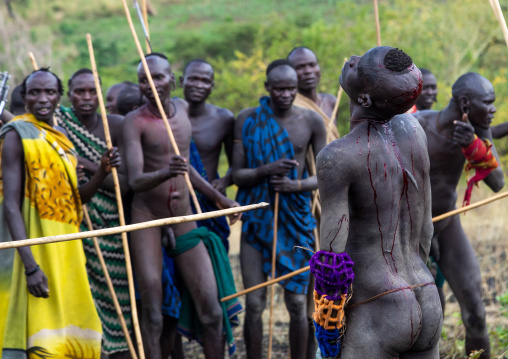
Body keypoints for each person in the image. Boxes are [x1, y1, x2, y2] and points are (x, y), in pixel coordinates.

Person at [312, 46, 442, 358]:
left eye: (358, 66)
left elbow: (332, 258)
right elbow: (425, 230)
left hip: (378, 307)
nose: (352, 60)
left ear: (365, 99)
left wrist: (328, 328)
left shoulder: (338, 156)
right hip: (427, 294)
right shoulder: (415, 131)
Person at [123, 52, 242, 359]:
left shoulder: (183, 110)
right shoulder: (134, 121)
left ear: (172, 80)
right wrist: (166, 171)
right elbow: (135, 180)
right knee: (152, 311)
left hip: (183, 215)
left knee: (212, 312)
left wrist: (220, 198)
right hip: (146, 217)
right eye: (143, 80)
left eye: (158, 77)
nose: (151, 84)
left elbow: (186, 167)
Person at [0, 68, 121, 358]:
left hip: (67, 247)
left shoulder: (62, 138)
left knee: (73, 326)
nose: (43, 98)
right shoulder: (17, 136)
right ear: (25, 98)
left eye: (50, 92)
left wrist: (102, 172)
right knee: (39, 330)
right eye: (35, 93)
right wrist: (29, 266)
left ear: (58, 98)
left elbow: (75, 200)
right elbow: (11, 205)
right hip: (33, 248)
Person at [232, 59, 326, 359]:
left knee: (298, 304)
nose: (285, 94)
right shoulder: (248, 119)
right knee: (255, 303)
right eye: (279, 89)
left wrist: (296, 186)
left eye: (291, 89)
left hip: (297, 220)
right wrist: (266, 170)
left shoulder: (311, 121)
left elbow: (325, 173)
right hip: (257, 219)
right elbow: (237, 174)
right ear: (267, 88)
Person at [414, 72, 503, 359]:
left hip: (448, 225)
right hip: (410, 233)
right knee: (415, 319)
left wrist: (473, 147)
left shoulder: (478, 128)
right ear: (465, 102)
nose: (493, 110)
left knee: (476, 313)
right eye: (487, 103)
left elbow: (498, 182)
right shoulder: (416, 126)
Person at [55, 68, 132, 358]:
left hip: (114, 226)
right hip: (81, 226)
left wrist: (85, 163)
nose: (87, 98)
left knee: (120, 302)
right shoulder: (59, 122)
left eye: (93, 91)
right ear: (69, 95)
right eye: (79, 92)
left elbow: (124, 185)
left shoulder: (116, 125)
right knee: (86, 299)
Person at [180, 59, 235, 249]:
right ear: (181, 81)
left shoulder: (224, 118)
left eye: (204, 81)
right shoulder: (168, 117)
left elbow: (235, 163)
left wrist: (225, 182)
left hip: (211, 200)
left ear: (212, 86)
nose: (198, 85)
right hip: (178, 200)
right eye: (193, 79)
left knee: (216, 256)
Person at [287, 47, 338, 137]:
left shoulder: (331, 102)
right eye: (300, 67)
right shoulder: (290, 107)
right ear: (290, 73)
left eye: (312, 65)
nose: (308, 71)